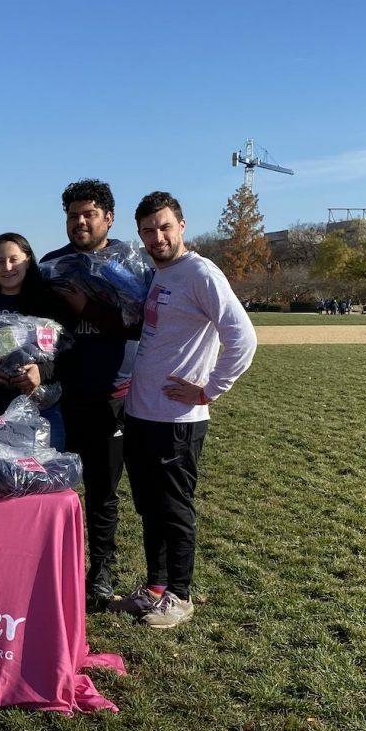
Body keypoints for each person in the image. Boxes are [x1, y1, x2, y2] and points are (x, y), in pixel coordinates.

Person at [120, 191, 257, 629]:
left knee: (174, 509)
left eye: (164, 227)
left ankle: (180, 594)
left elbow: (243, 338)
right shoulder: (159, 274)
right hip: (141, 413)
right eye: (148, 230)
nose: (157, 237)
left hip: (177, 421)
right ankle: (155, 587)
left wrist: (209, 390)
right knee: (149, 507)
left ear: (181, 226)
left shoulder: (201, 273)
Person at [39, 179, 138, 612]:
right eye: (72, 215)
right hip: (60, 396)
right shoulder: (52, 265)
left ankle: (101, 572)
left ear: (108, 218)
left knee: (102, 491)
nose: (79, 222)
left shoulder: (127, 262)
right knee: (50, 488)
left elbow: (135, 324)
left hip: (110, 395)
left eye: (89, 214)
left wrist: (85, 305)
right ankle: (50, 569)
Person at [0, 232, 72, 444]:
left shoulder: (50, 304)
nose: (7, 267)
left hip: (40, 410)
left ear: (28, 261)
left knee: (42, 466)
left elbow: (69, 354)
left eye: (14, 260)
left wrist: (41, 371)